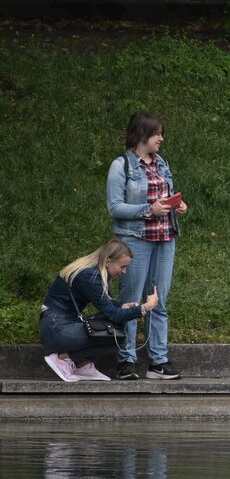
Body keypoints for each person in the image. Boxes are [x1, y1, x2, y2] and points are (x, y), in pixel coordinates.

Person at [107, 111, 187, 381]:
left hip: (165, 239)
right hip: (136, 241)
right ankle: (126, 360)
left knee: (159, 300)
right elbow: (115, 207)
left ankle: (158, 361)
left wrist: (176, 205)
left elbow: (163, 198)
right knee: (131, 300)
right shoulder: (122, 166)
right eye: (157, 134)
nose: (161, 138)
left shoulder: (161, 163)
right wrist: (148, 210)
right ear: (142, 135)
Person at [39, 239, 157, 382]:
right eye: (123, 266)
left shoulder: (92, 273)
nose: (124, 271)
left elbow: (107, 305)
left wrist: (123, 306)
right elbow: (113, 314)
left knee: (116, 333)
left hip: (60, 326)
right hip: (56, 329)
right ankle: (62, 359)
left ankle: (83, 365)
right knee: (115, 334)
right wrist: (144, 307)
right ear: (108, 261)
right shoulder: (89, 276)